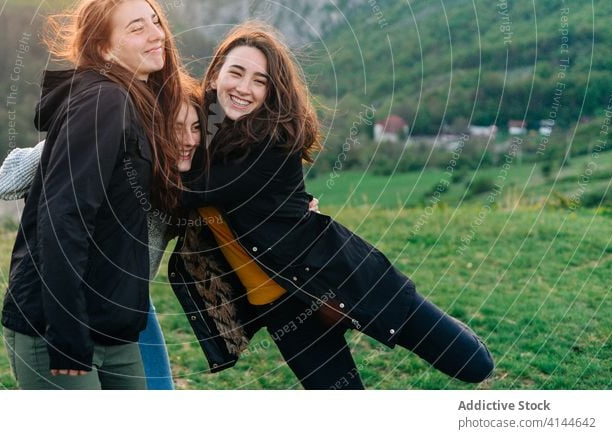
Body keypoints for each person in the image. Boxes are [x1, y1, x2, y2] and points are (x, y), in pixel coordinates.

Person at [175, 21, 495, 389]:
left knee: (473, 364)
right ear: (214, 76)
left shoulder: (270, 144)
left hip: (336, 273)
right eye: (236, 72)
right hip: (284, 307)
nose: (245, 88)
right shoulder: (201, 136)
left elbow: (186, 191)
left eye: (260, 80)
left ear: (270, 92)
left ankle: (460, 334)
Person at [0, 0, 184, 390]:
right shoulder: (105, 101)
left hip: (114, 330)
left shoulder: (136, 103)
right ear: (103, 49)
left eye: (156, 22)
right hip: (58, 329)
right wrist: (66, 335)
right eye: (137, 28)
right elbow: (62, 215)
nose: (157, 34)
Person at [0, 76, 204, 390]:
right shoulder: (113, 153)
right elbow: (4, 183)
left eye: (197, 127)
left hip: (129, 305)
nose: (189, 139)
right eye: (176, 127)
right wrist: (78, 136)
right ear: (150, 127)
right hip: (70, 300)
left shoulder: (189, 182)